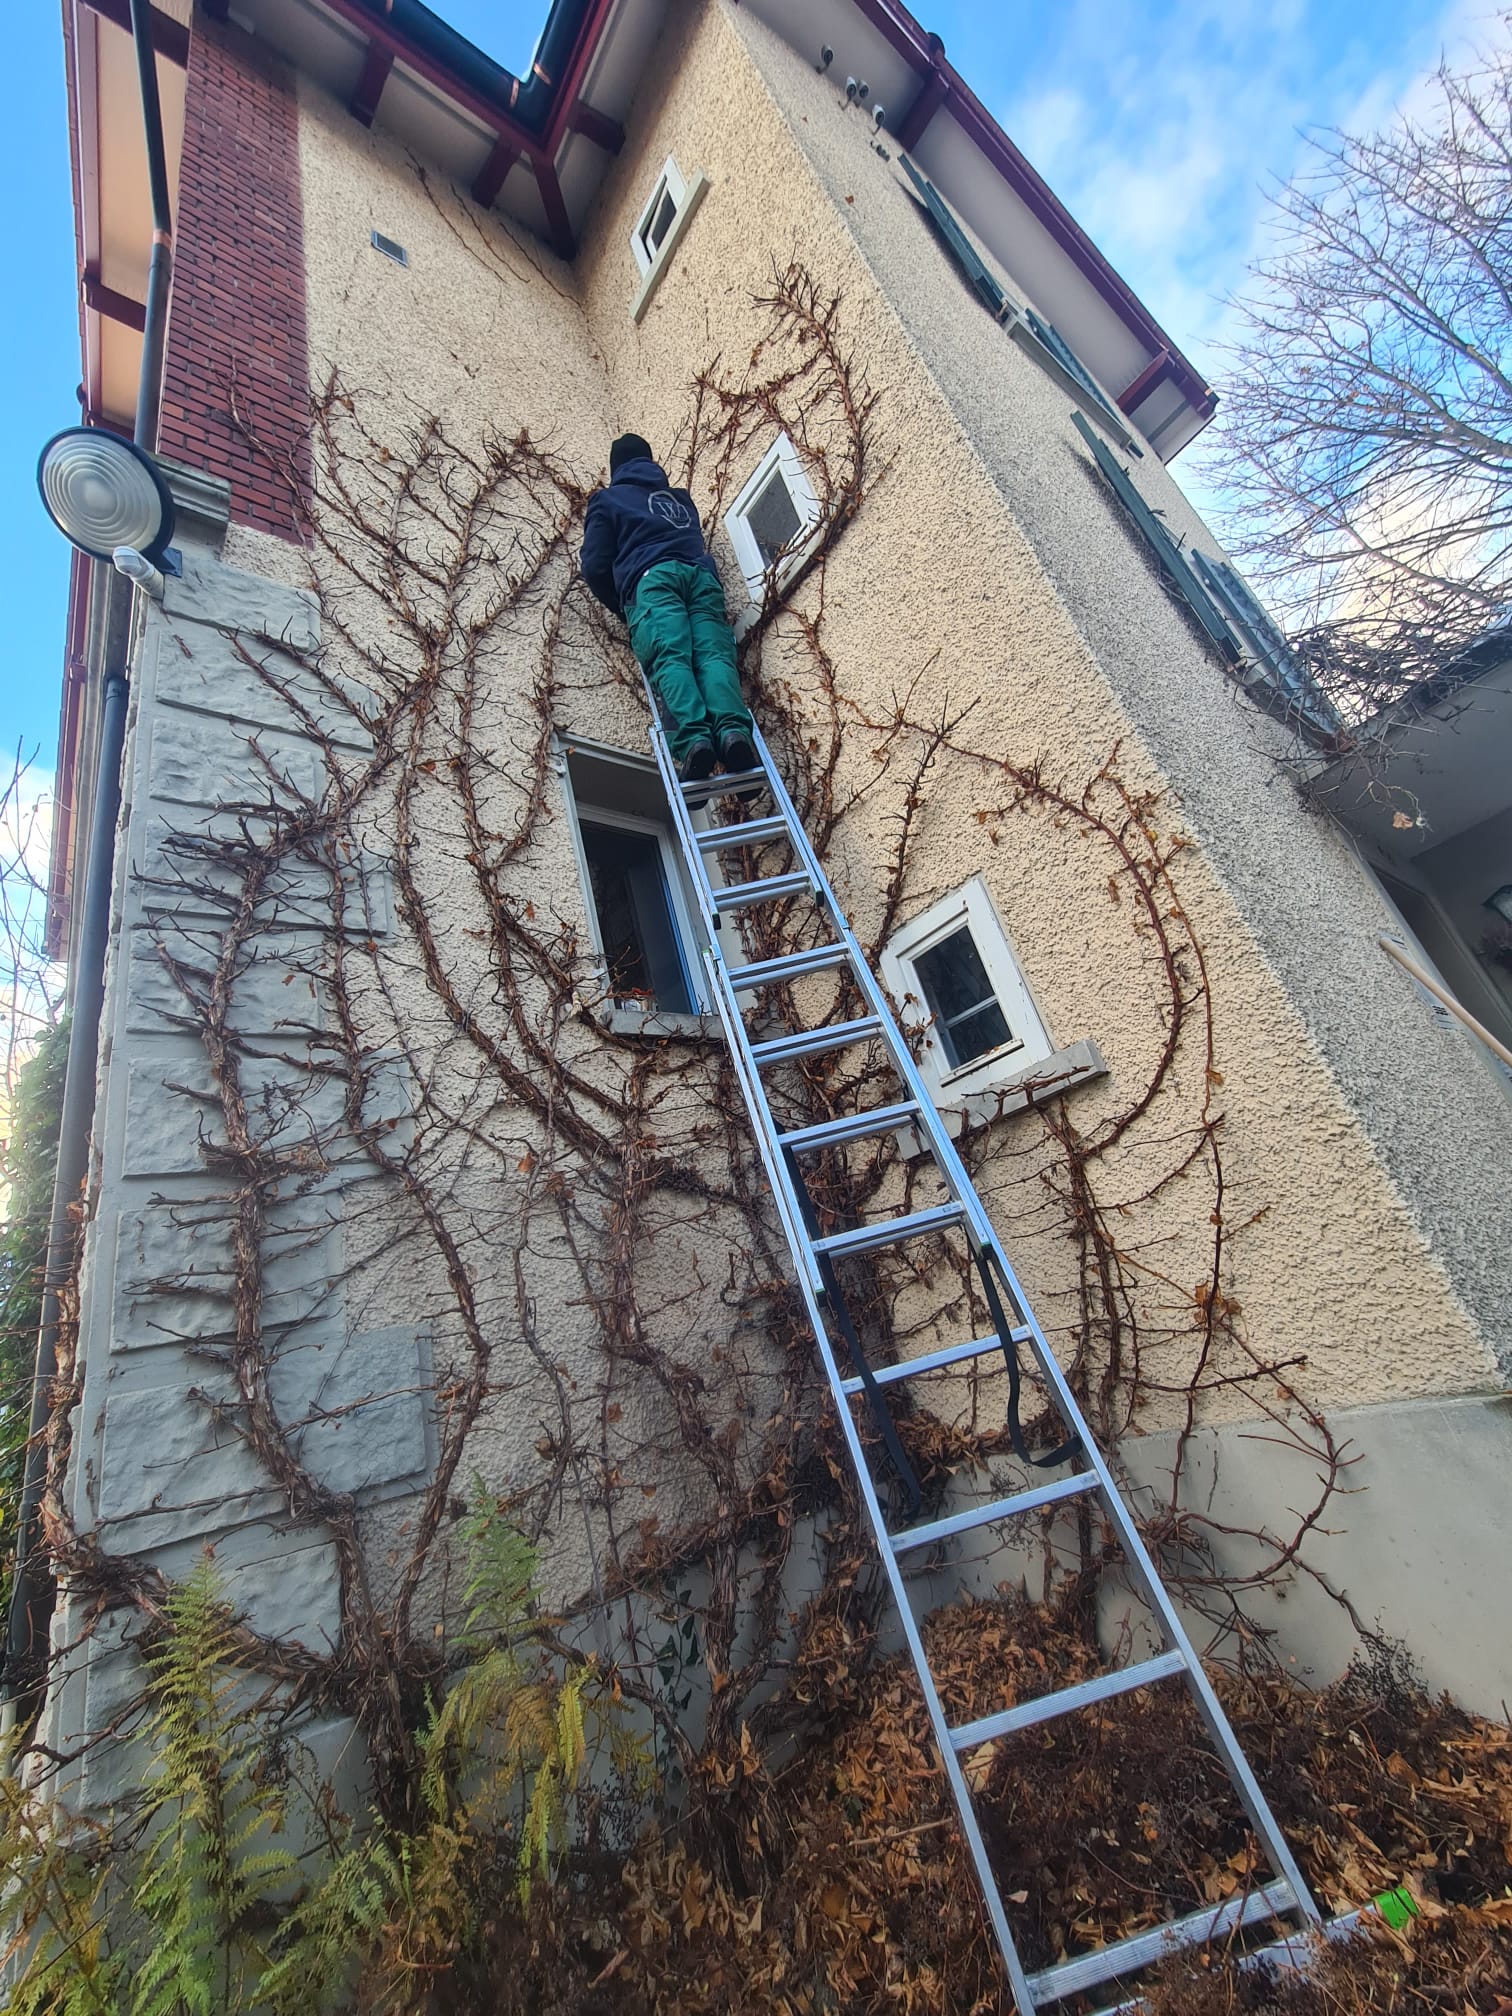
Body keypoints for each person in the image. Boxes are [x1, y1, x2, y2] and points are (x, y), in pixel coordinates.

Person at [580, 434, 758, 782]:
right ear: (649, 462)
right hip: (700, 577)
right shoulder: (680, 500)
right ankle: (734, 734)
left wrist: (624, 605)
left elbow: (594, 565)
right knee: (713, 656)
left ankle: (695, 741)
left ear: (616, 468)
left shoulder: (608, 501)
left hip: (653, 581)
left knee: (671, 656)